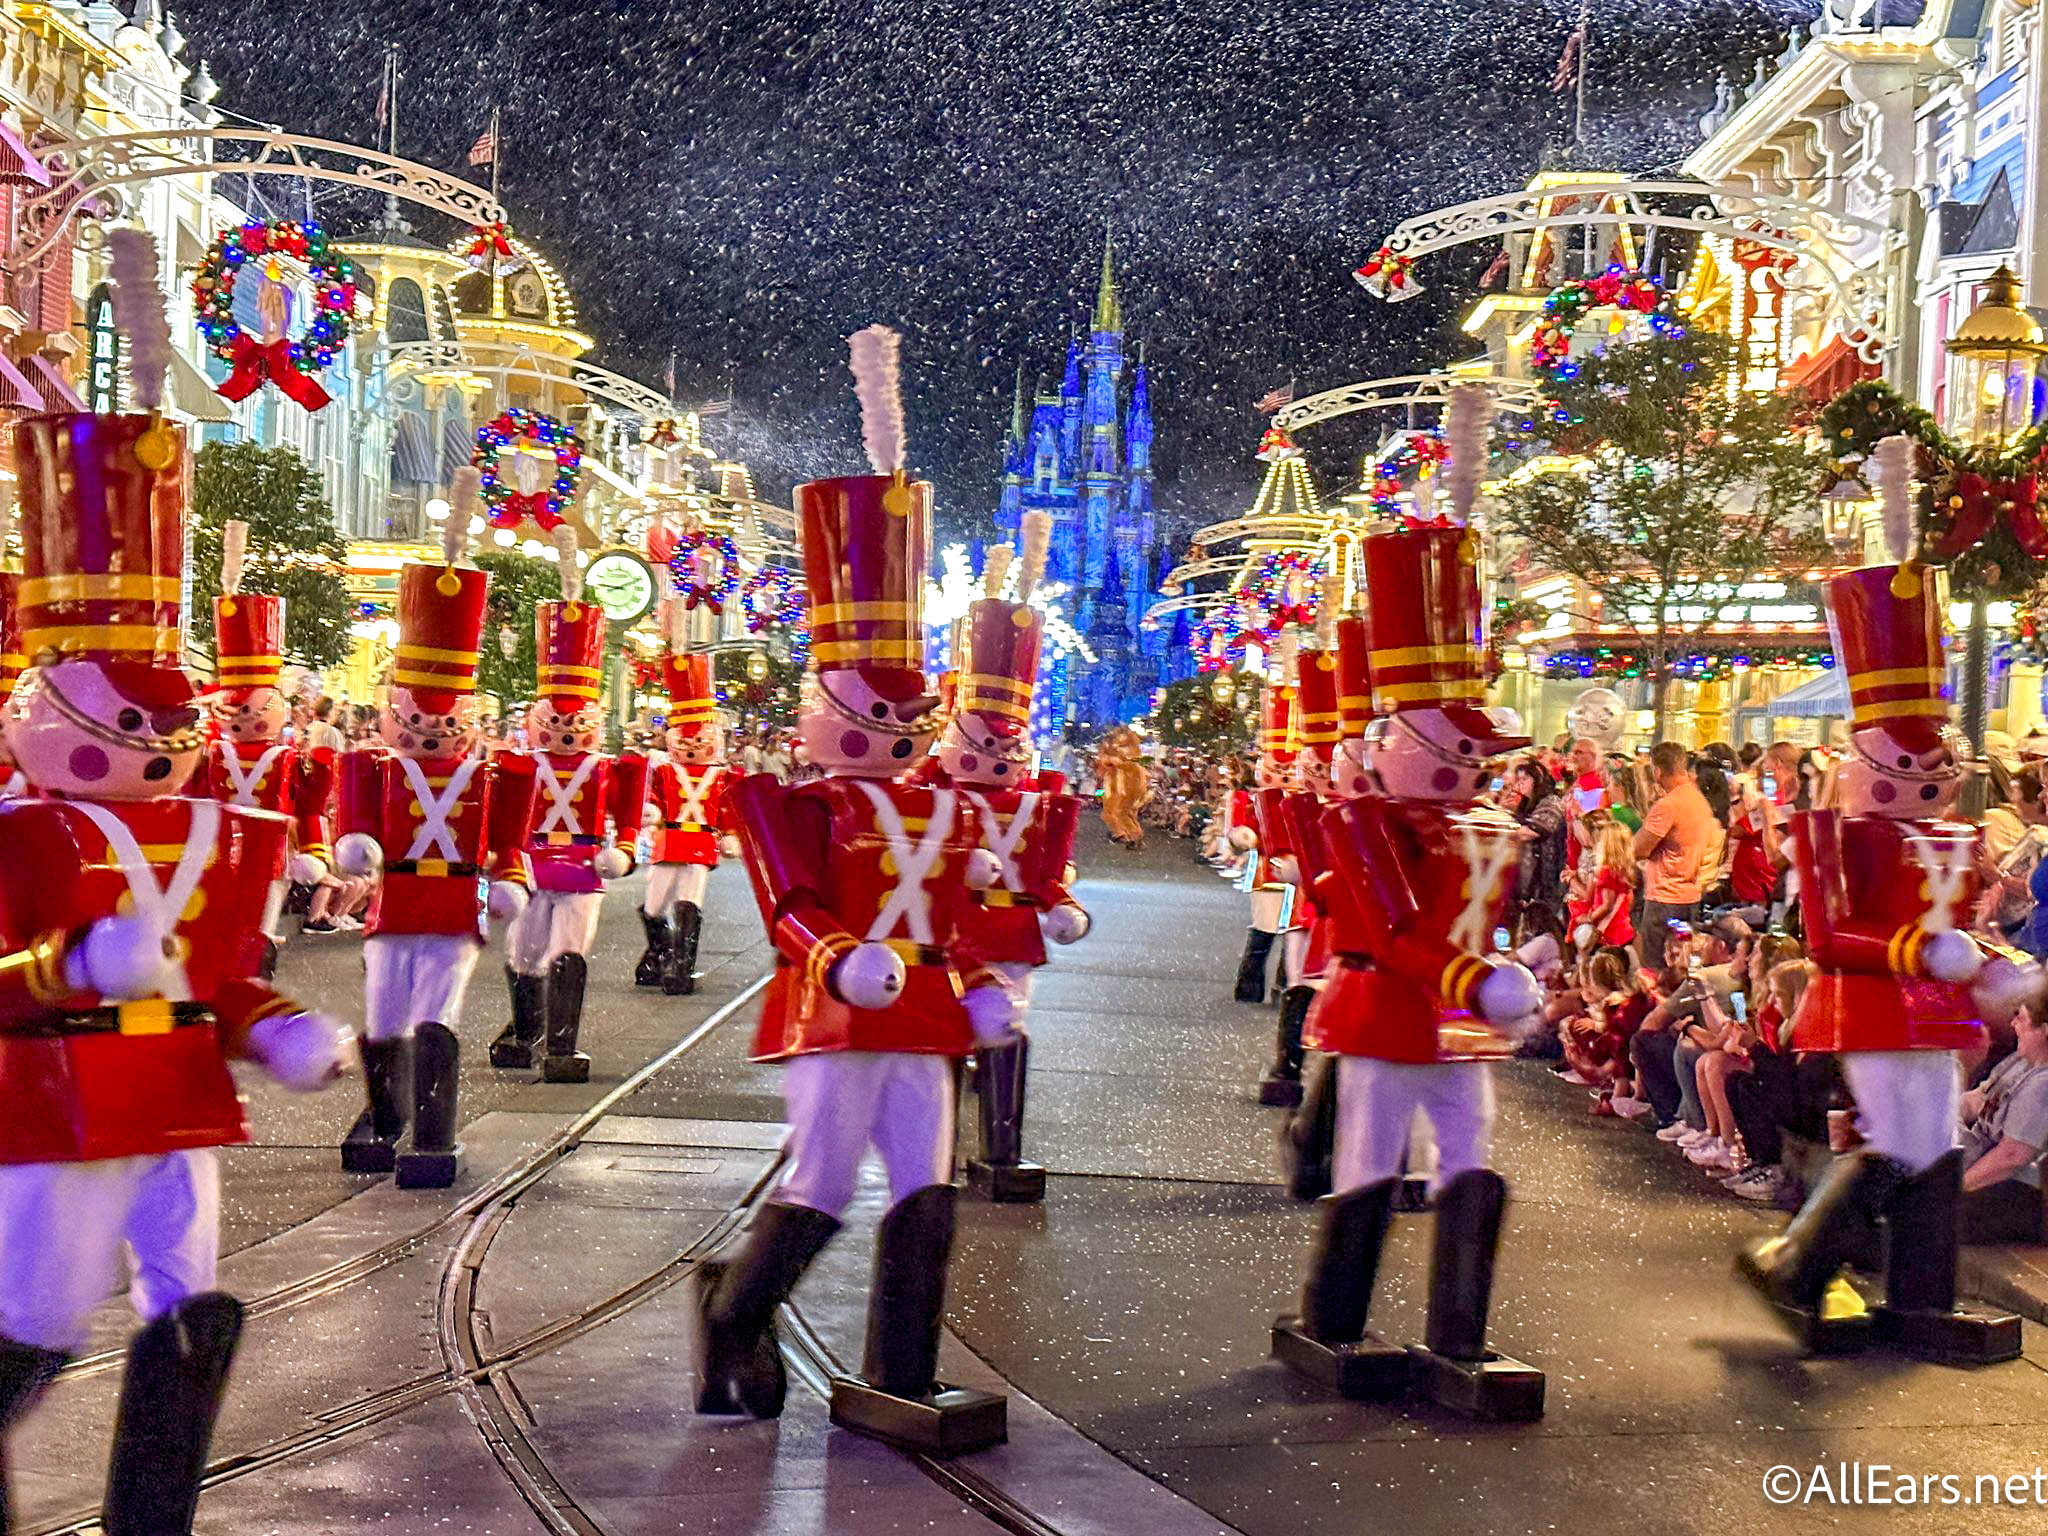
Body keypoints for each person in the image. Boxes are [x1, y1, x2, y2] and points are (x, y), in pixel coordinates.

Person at [1958, 1004, 2048, 1243]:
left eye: (2022, 1018)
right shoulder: (2020, 1060)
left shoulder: (2042, 1085)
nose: (2013, 1024)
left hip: (2015, 1193)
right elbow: (1974, 1102)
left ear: (2044, 1031)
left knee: (1919, 1214)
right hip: (1979, 1173)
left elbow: (2012, 1157)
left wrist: (1952, 1189)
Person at [1632, 741, 1715, 967]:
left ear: (1657, 771)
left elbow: (1638, 849)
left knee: (1656, 968)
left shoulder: (1669, 804)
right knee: (1682, 964)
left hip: (1664, 898)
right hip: (1691, 896)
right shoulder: (1698, 800)